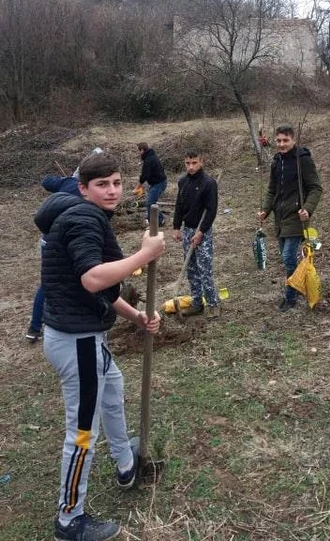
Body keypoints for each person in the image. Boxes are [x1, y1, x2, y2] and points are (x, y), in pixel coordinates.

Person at [34, 152, 165, 541]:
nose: (112, 191)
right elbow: (93, 278)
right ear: (83, 189)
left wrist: (136, 317)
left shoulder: (80, 215)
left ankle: (126, 464)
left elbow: (97, 291)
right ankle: (69, 519)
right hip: (76, 342)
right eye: (102, 185)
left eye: (116, 182)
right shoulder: (83, 220)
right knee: (82, 432)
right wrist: (144, 255)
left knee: (114, 389)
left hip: (83, 333)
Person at [258, 124, 322, 312]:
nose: (281, 144)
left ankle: (290, 296)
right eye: (278, 141)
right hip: (280, 216)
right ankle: (300, 281)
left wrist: (307, 209)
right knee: (288, 258)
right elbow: (272, 190)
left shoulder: (303, 160)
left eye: (285, 140)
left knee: (287, 257)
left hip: (297, 216)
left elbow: (316, 188)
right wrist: (265, 210)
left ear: (293, 140)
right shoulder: (277, 161)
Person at [26, 174, 82, 342]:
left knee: (48, 284)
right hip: (62, 242)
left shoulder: (69, 182)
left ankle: (34, 328)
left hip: (47, 239)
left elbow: (46, 181)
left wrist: (64, 179)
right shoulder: (89, 192)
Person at [172, 148, 219, 318]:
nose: (191, 167)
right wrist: (176, 227)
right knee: (191, 268)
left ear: (201, 162)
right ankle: (197, 303)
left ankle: (213, 304)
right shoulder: (183, 182)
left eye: (194, 163)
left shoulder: (209, 183)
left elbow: (211, 211)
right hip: (187, 229)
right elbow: (179, 205)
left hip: (203, 231)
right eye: (187, 163)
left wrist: (201, 232)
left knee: (204, 269)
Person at [133, 141, 167, 227]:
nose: (138, 153)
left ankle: (160, 220)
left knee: (150, 203)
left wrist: (136, 188)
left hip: (159, 183)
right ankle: (149, 219)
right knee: (150, 202)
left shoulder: (148, 160)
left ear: (142, 150)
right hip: (156, 183)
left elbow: (144, 176)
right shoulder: (151, 156)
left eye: (139, 150)